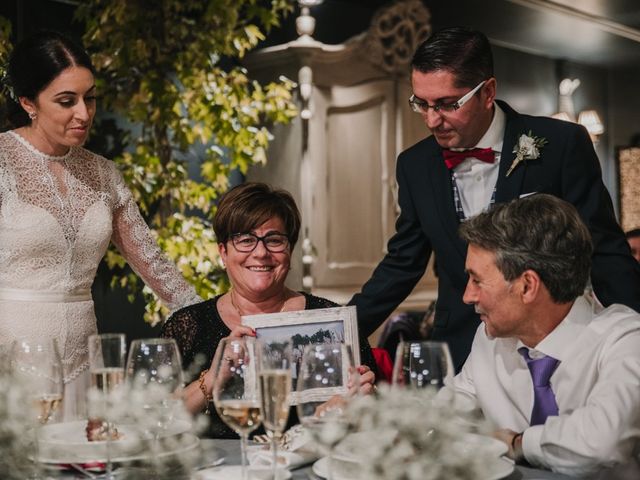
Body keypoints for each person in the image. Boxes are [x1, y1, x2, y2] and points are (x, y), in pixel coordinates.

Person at [349, 26, 640, 371]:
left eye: (446, 104)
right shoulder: (414, 165)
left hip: (555, 347)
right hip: (459, 346)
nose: (431, 120)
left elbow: (603, 248)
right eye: (421, 104)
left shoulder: (561, 144)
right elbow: (403, 262)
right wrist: (340, 332)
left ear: (487, 92)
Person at [0, 31, 200, 420]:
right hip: (11, 360)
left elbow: (157, 267)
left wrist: (219, 318)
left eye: (89, 97)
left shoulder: (104, 174)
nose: (84, 113)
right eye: (66, 101)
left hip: (86, 363)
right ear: (28, 103)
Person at [444, 194, 640, 476]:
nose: (467, 296)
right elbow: (446, 412)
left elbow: (601, 442)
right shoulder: (489, 340)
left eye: (477, 280)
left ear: (527, 286)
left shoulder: (624, 339)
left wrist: (515, 443)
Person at [161, 182, 376, 438]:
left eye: (274, 240)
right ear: (223, 251)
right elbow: (154, 423)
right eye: (245, 240)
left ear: (290, 250)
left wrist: (360, 402)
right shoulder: (187, 325)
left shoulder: (331, 322)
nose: (261, 252)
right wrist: (212, 378)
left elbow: (375, 423)